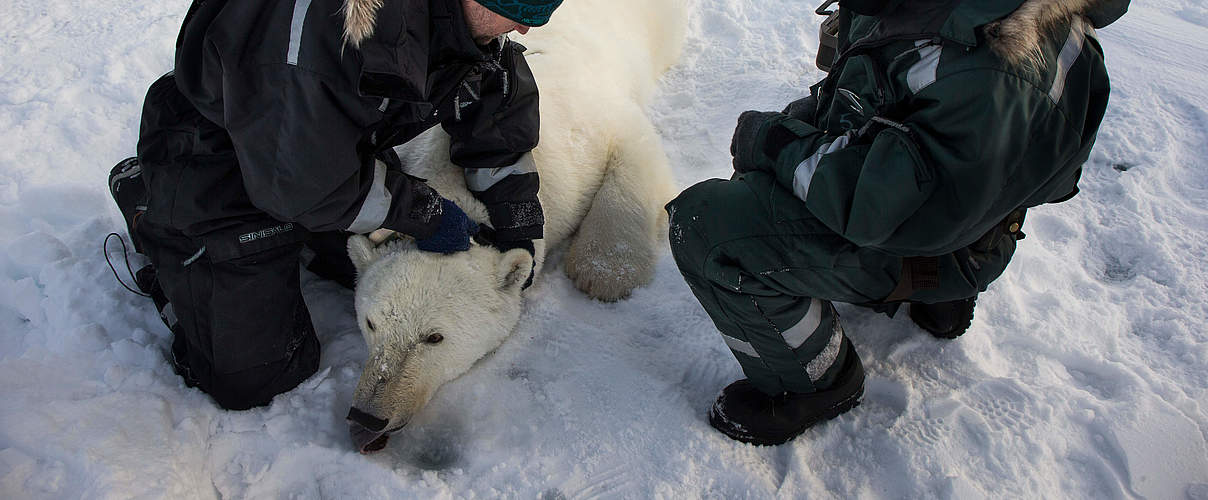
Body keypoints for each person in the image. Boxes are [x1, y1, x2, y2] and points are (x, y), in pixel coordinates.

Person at [666, 0, 1129, 445]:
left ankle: (814, 382)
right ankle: (940, 292)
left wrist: (775, 145)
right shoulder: (959, 11)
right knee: (778, 164)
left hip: (923, 227)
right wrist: (803, 124)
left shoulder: (996, 65)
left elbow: (886, 207)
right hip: (969, 220)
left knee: (709, 229)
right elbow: (881, 89)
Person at [106, 0, 564, 411]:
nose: (525, 30)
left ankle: (291, 241)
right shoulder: (327, 23)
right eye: (522, 12)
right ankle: (151, 207)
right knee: (258, 377)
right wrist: (425, 212)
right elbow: (298, 181)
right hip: (215, 158)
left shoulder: (462, 27)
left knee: (386, 278)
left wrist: (518, 217)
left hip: (330, 156)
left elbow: (497, 121)